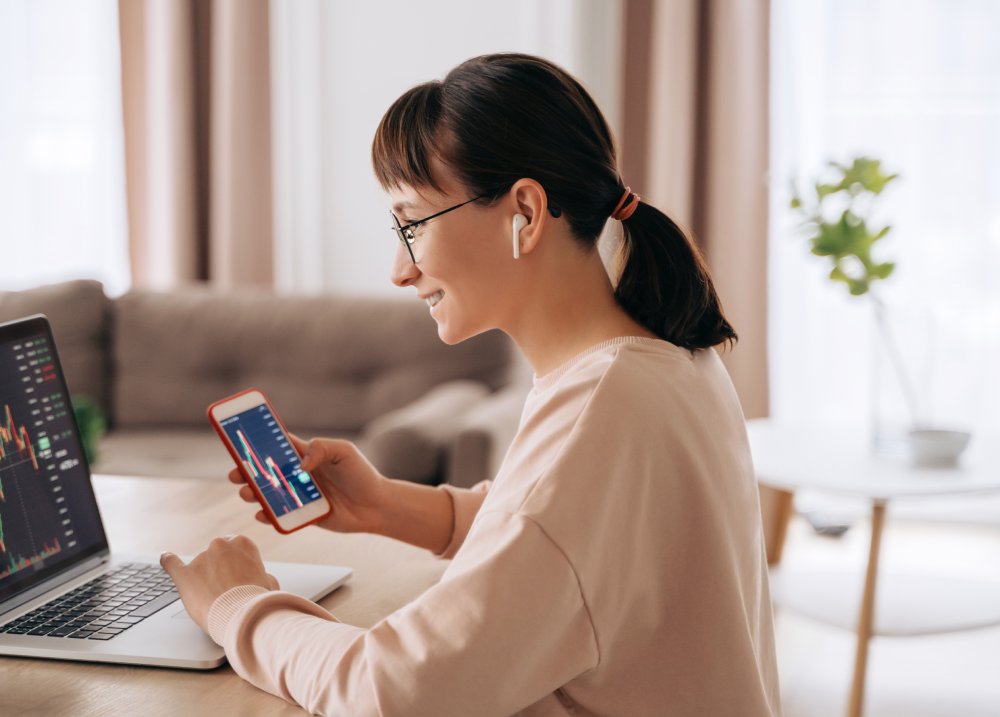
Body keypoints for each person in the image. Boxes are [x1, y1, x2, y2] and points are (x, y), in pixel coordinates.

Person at [161, 53, 780, 716]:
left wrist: (240, 605)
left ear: (526, 213)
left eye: (412, 224)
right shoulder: (664, 357)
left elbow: (389, 693)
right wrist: (388, 506)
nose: (399, 269)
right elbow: (575, 542)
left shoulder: (601, 410)